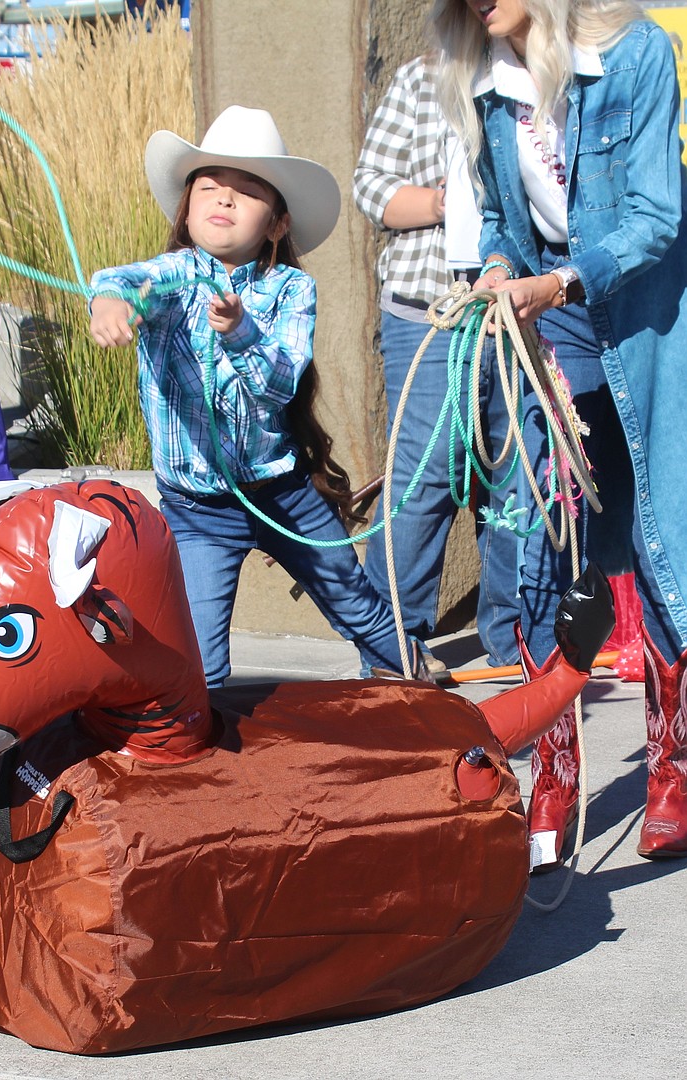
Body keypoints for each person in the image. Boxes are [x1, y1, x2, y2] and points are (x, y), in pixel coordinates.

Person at [434, 0, 687, 864]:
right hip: (554, 318)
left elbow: (657, 215)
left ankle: (671, 767)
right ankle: (555, 769)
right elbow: (505, 220)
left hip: (648, 316)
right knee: (552, 535)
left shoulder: (636, 50)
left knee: (657, 535)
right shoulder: (480, 78)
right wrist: (503, 264)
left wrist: (561, 283)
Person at [89, 106, 418, 688]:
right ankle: (198, 757)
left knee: (357, 604)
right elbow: (125, 280)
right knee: (201, 663)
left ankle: (410, 688)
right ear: (187, 207)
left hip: (281, 491)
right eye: (210, 188)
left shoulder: (292, 288)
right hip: (197, 510)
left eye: (245, 193)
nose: (223, 200)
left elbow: (278, 385)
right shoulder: (172, 276)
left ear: (277, 224)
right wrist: (111, 303)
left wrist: (240, 330)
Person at [354, 52, 521, 667]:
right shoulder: (420, 75)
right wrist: (446, 201)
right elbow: (371, 186)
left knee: (522, 478)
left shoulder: (541, 75)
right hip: (429, 304)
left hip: (521, 306)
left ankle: (516, 637)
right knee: (422, 479)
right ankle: (391, 648)